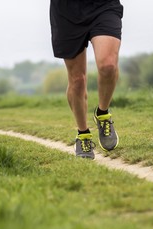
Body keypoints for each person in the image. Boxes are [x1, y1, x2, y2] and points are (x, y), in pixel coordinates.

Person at [50, 0, 123, 159]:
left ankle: (102, 114)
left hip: (103, 6)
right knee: (77, 80)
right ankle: (83, 134)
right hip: (66, 12)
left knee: (108, 66)